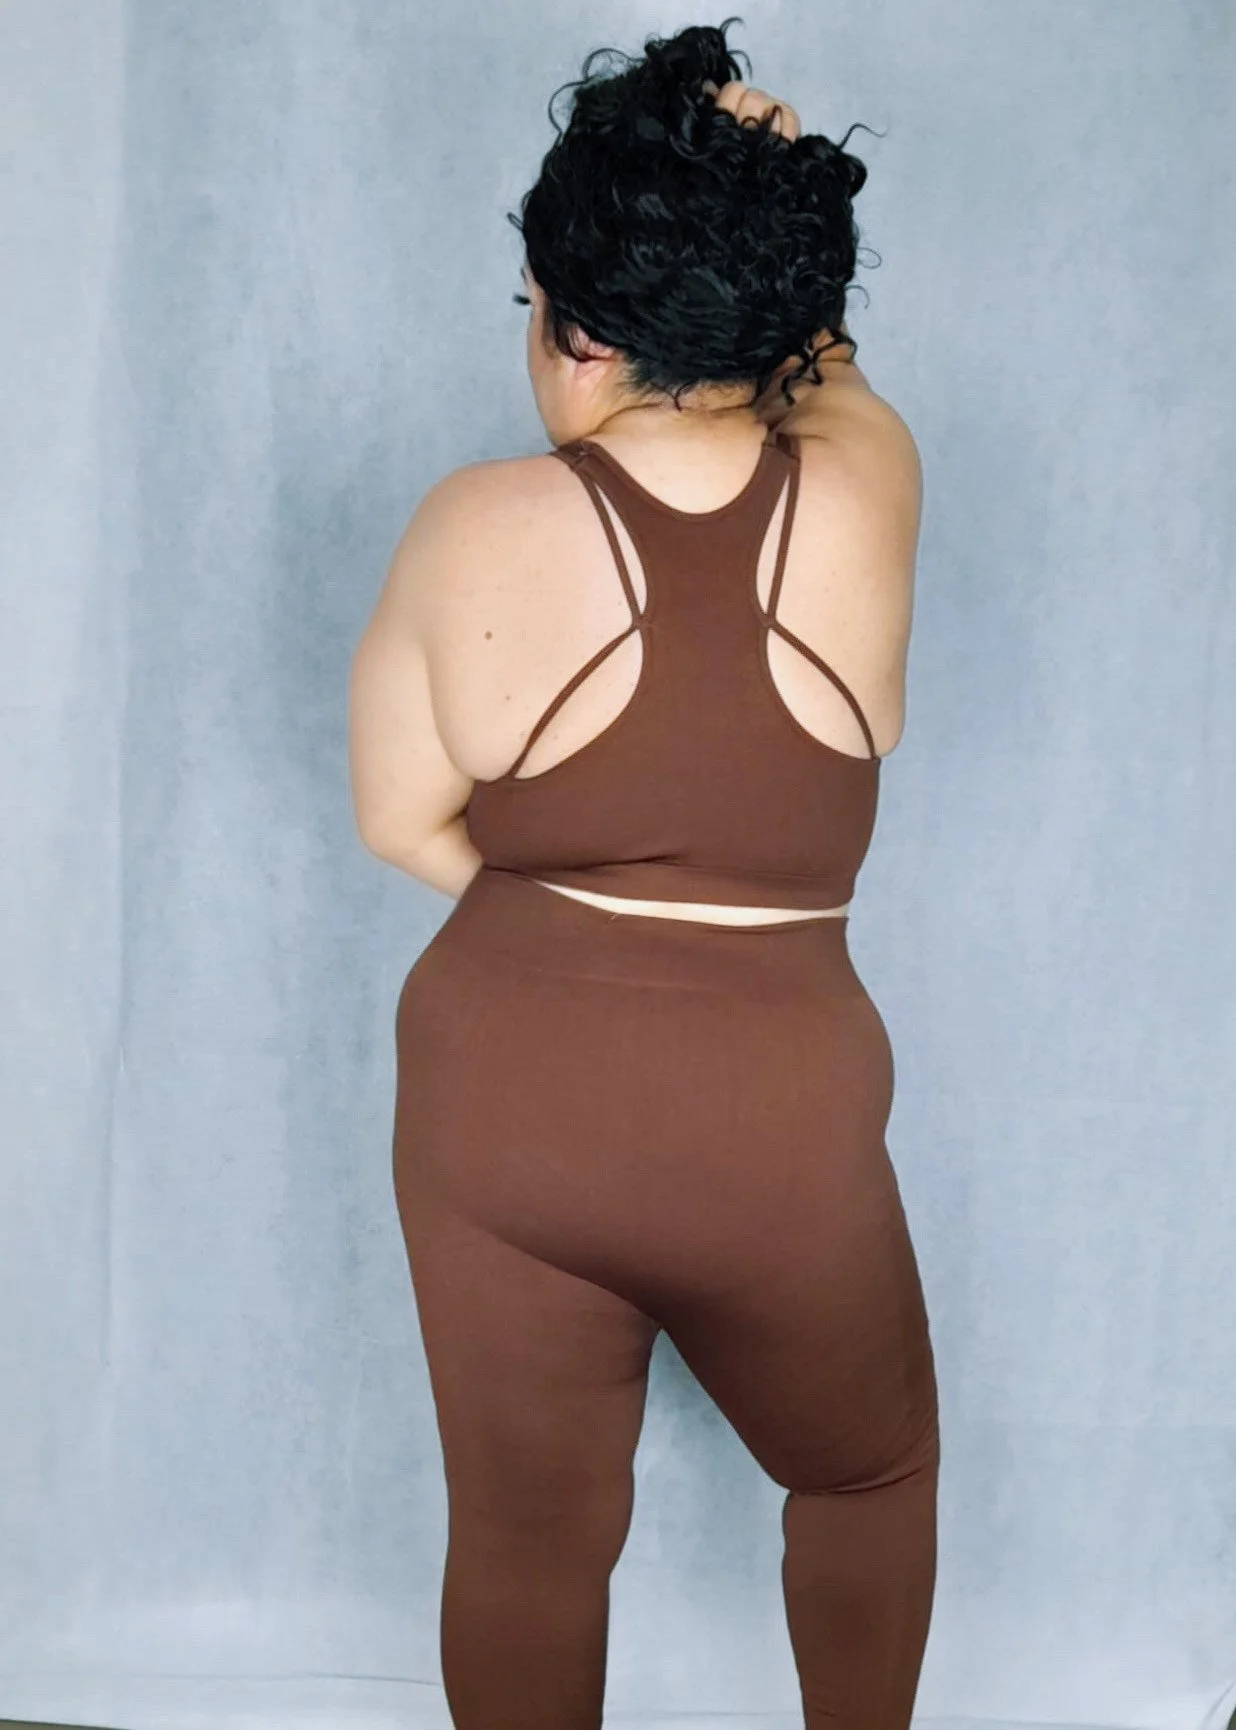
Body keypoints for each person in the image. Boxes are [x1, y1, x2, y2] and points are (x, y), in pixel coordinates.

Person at [348, 22, 938, 1730]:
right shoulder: (870, 484)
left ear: (582, 334)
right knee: (866, 1477)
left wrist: (578, 935)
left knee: (526, 1543)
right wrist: (765, 208)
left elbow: (401, 821)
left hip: (506, 1095)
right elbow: (826, 365)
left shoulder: (470, 524)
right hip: (780, 1114)